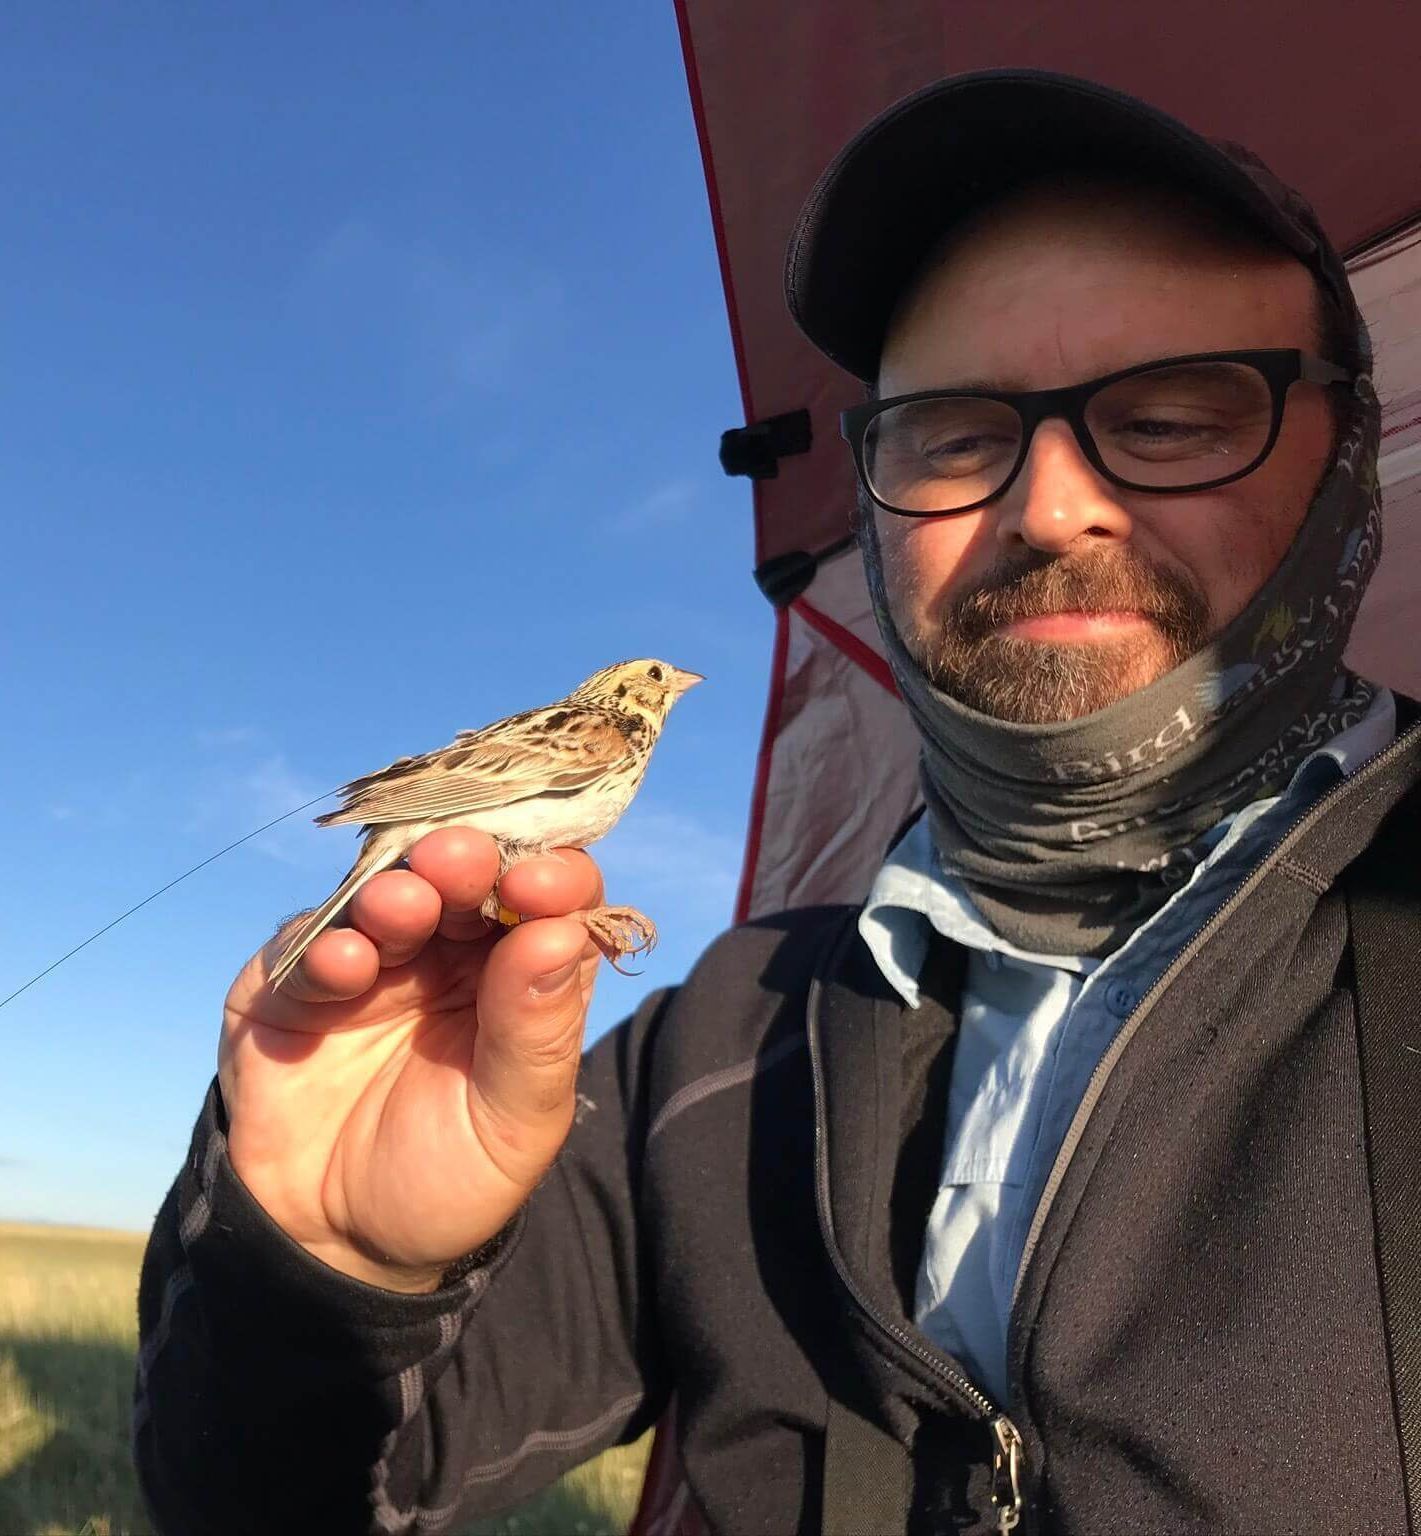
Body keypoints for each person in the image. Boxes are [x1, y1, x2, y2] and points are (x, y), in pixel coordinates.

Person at [133, 69, 1421, 1535]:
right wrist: (321, 1265)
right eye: (951, 435)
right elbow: (282, 1499)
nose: (1049, 507)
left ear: (1353, 453)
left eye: (1177, 416)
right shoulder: (714, 1035)